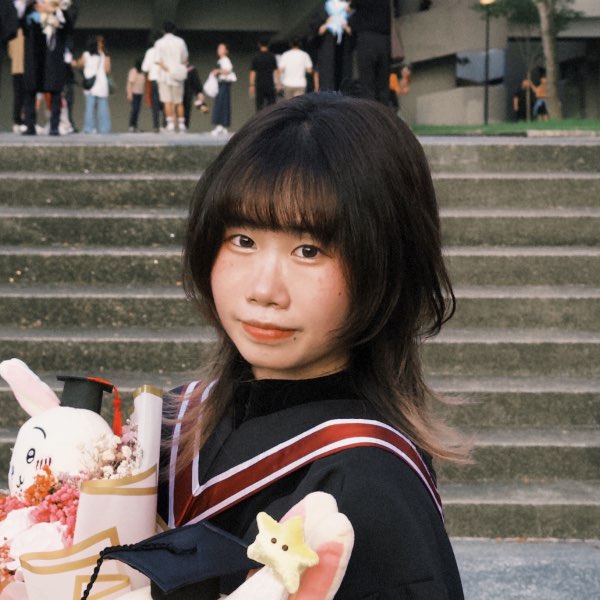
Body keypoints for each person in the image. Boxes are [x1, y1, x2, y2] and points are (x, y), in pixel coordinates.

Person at [87, 92, 467, 600]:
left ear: (386, 267)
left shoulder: (369, 483)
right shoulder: (171, 428)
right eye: (242, 240)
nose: (264, 290)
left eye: (308, 250)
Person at [17, 0, 77, 135]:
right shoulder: (30, 15)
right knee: (30, 92)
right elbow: (20, 21)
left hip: (52, 59)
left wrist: (54, 9)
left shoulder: (60, 16)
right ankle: (30, 126)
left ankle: (54, 127)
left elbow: (68, 27)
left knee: (55, 92)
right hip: (34, 57)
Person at [349, 0, 400, 103]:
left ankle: (372, 112)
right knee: (383, 85)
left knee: (367, 86)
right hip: (385, 40)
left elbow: (350, 9)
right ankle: (384, 110)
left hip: (366, 39)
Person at [154, 20, 188, 133]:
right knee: (179, 101)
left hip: (165, 75)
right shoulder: (180, 42)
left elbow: (158, 60)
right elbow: (185, 59)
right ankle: (182, 124)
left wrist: (168, 69)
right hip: (178, 75)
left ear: (163, 30)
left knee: (167, 100)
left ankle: (170, 124)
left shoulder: (159, 43)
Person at [73, 35, 111, 134]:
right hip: (102, 85)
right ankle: (104, 129)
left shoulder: (86, 55)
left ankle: (89, 129)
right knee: (103, 108)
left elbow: (78, 64)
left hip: (90, 85)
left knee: (89, 108)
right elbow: (107, 70)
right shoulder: (105, 55)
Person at [316, 0, 353, 92]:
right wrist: (327, 24)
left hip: (344, 52)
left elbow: (353, 34)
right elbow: (318, 33)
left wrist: (345, 27)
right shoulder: (324, 14)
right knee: (328, 75)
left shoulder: (349, 17)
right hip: (328, 52)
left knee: (343, 75)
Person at [210, 42, 236, 136]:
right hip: (220, 84)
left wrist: (217, 71)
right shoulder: (220, 60)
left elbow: (228, 70)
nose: (219, 50)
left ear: (226, 51)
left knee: (222, 104)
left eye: (221, 48)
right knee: (220, 103)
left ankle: (220, 125)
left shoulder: (226, 60)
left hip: (224, 84)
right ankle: (223, 125)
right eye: (218, 48)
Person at [141, 31, 163, 133]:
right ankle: (166, 124)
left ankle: (156, 125)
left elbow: (144, 68)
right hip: (165, 79)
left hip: (154, 79)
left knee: (155, 103)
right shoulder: (165, 51)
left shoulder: (150, 51)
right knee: (166, 101)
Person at [249, 38, 279, 112]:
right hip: (270, 83)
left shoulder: (256, 56)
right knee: (271, 106)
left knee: (259, 106)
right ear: (268, 45)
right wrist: (277, 83)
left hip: (259, 84)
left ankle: (260, 119)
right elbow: (275, 71)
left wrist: (251, 85)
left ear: (259, 45)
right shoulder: (272, 56)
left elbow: (253, 72)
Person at [7, 26, 25, 133]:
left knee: (18, 96)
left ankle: (17, 121)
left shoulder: (12, 33)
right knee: (26, 96)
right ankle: (23, 121)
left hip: (16, 68)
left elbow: (10, 52)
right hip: (25, 68)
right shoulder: (26, 32)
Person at [182, 60, 208, 130]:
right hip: (177, 92)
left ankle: (184, 126)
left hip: (187, 93)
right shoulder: (175, 67)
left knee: (186, 109)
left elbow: (196, 81)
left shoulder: (191, 69)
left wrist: (199, 92)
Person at [126, 57, 146, 132]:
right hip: (134, 93)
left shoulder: (143, 72)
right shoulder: (133, 71)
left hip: (140, 94)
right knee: (134, 109)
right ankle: (131, 126)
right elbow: (129, 83)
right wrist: (129, 94)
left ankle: (135, 126)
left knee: (137, 110)